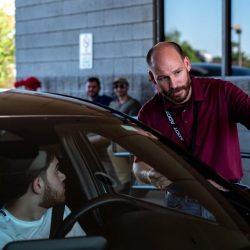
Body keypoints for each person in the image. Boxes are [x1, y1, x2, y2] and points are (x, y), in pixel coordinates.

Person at [133, 41, 250, 218]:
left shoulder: (222, 91)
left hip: (228, 199)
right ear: (152, 77)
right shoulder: (148, 113)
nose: (173, 85)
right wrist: (154, 176)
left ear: (187, 64)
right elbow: (138, 164)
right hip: (181, 202)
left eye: (177, 72)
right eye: (163, 78)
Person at [0, 143, 86, 249]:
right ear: (38, 185)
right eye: (56, 171)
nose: (63, 176)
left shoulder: (59, 212)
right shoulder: (3, 236)